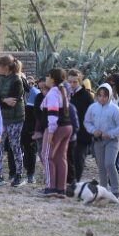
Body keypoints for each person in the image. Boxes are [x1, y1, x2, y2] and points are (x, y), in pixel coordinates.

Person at [84, 83, 119, 198]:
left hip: (112, 140)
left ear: (110, 96)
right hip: (98, 140)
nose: (102, 98)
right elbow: (87, 122)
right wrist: (93, 130)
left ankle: (115, 190)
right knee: (101, 165)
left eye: (105, 96)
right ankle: (103, 189)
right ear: (97, 95)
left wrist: (110, 134)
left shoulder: (115, 109)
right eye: (100, 95)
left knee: (109, 163)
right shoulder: (93, 108)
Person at [0, 55, 27, 187]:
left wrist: (2, 101)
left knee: (14, 145)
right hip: (1, 117)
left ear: (6, 67)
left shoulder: (17, 80)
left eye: (0, 66)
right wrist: (2, 100)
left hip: (15, 118)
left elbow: (12, 102)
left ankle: (18, 174)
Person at [41, 68, 75, 197]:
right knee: (60, 157)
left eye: (47, 76)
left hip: (57, 128)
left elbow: (53, 113)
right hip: (67, 126)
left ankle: (51, 187)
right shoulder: (63, 90)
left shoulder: (54, 92)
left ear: (53, 79)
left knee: (47, 156)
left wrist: (50, 132)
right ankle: (61, 188)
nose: (46, 79)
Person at [66, 70, 94, 185]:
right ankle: (69, 181)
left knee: (78, 158)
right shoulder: (66, 94)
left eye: (75, 82)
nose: (72, 84)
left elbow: (92, 115)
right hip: (69, 132)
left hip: (83, 133)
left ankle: (76, 182)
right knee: (69, 158)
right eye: (70, 82)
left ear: (80, 81)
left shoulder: (87, 96)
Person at [21, 75, 41, 183]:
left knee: (30, 149)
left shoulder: (35, 93)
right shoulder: (19, 91)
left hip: (30, 126)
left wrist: (35, 128)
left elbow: (35, 113)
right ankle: (20, 172)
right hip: (20, 124)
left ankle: (30, 173)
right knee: (22, 149)